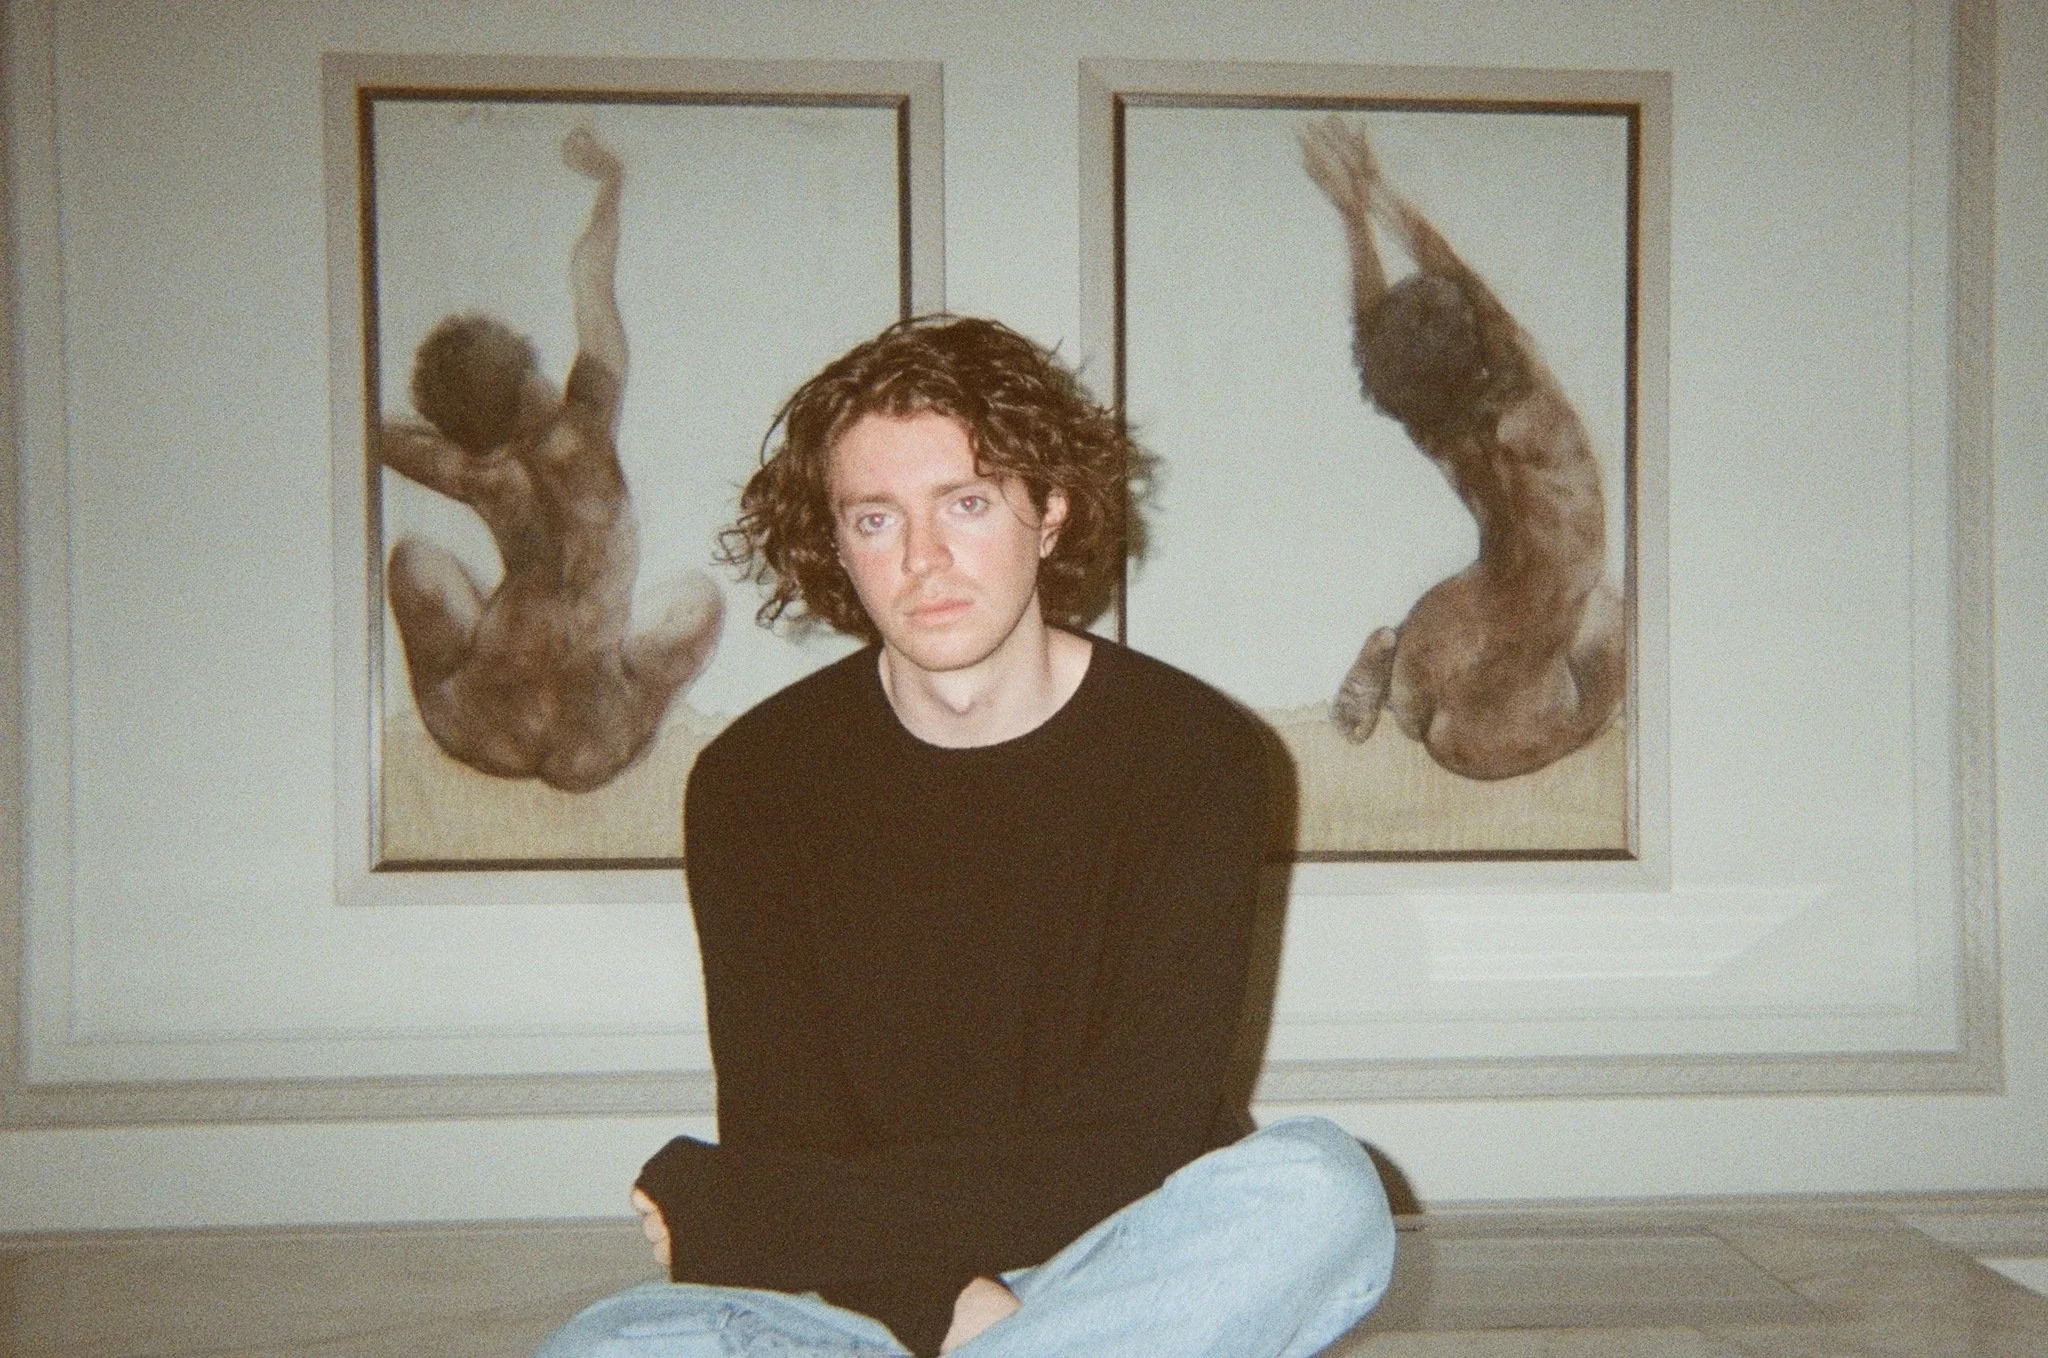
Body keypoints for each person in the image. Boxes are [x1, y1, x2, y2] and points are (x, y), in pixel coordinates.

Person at [535, 315, 1395, 1357]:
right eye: (874, 519)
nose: (924, 559)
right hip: (857, 1287)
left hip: (1118, 1255)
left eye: (967, 503)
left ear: (1049, 512)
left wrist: (743, 1210)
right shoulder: (754, 779)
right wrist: (942, 1299)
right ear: (833, 543)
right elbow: (783, 1124)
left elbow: (1138, 1141)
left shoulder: (1194, 753)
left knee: (1323, 1190)